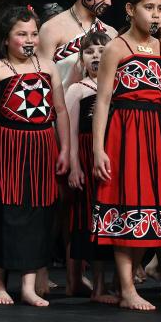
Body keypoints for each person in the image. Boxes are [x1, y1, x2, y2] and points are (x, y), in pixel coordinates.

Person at [0, 6, 70, 307]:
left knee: (38, 215)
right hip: (7, 150)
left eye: (32, 34)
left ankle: (28, 285)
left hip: (42, 149)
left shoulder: (48, 67)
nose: (28, 40)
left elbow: (61, 111)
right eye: (21, 34)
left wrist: (66, 148)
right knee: (4, 213)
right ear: (6, 39)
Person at [92, 0, 161, 311]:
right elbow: (102, 102)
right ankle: (127, 288)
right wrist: (99, 148)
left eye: (159, 9)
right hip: (125, 130)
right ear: (130, 9)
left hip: (153, 130)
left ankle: (126, 279)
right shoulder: (116, 48)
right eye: (148, 8)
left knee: (150, 208)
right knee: (127, 203)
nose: (155, 15)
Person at [64, 31, 117, 304]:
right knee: (90, 220)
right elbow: (71, 132)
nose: (96, 55)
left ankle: (115, 283)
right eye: (90, 51)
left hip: (114, 157)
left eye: (101, 50)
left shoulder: (117, 87)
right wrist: (74, 166)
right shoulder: (78, 89)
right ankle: (97, 286)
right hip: (87, 157)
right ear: (82, 59)